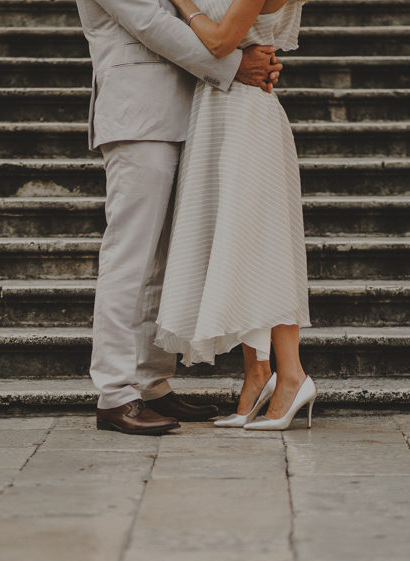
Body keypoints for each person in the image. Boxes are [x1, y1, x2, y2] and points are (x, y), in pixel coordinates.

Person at [75, 0, 284, 435]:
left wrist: (249, 49)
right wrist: (233, 64)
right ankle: (115, 392)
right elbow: (149, 22)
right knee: (129, 257)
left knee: (163, 263)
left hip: (192, 110)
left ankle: (150, 381)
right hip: (139, 115)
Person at [153, 0, 315, 430]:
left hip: (244, 112)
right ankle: (257, 374)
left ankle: (292, 374)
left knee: (264, 242)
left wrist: (183, 4)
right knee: (242, 244)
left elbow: (223, 41)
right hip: (221, 108)